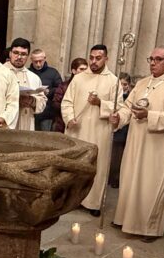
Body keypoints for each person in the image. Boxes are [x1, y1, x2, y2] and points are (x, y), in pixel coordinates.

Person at [110, 47, 164, 240]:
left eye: (158, 59)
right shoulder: (143, 83)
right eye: (151, 59)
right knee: (130, 179)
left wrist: (149, 115)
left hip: (158, 144)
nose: (152, 63)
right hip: (136, 139)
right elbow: (128, 106)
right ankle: (124, 219)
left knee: (150, 184)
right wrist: (118, 117)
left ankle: (148, 227)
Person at [61, 45, 119, 217]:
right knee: (75, 165)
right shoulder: (79, 78)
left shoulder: (113, 81)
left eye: (98, 58)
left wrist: (101, 103)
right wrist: (69, 118)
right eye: (91, 57)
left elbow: (119, 107)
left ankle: (93, 202)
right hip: (77, 130)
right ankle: (73, 200)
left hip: (99, 131)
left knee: (97, 166)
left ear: (106, 59)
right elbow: (66, 101)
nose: (93, 61)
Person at [5, 37, 46, 131]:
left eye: (23, 54)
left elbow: (43, 101)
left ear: (28, 57)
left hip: (27, 121)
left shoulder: (34, 77)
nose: (19, 57)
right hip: (7, 123)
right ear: (10, 53)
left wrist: (32, 101)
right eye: (16, 53)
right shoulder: (0, 73)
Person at [108, 73, 132, 188]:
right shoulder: (114, 94)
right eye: (121, 84)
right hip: (114, 129)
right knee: (113, 156)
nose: (123, 87)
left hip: (125, 131)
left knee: (120, 156)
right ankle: (110, 176)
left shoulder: (130, 97)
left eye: (125, 84)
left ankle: (116, 178)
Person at [30, 48, 63, 131]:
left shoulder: (53, 72)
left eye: (40, 61)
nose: (38, 64)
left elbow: (60, 89)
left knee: (44, 138)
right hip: (30, 112)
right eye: (35, 61)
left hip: (47, 113)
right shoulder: (27, 72)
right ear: (31, 60)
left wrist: (49, 91)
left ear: (44, 59)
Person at [52, 58, 88, 133]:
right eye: (81, 69)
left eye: (86, 69)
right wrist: (69, 111)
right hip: (62, 124)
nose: (84, 72)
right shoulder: (64, 86)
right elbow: (56, 104)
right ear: (73, 71)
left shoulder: (89, 86)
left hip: (82, 125)